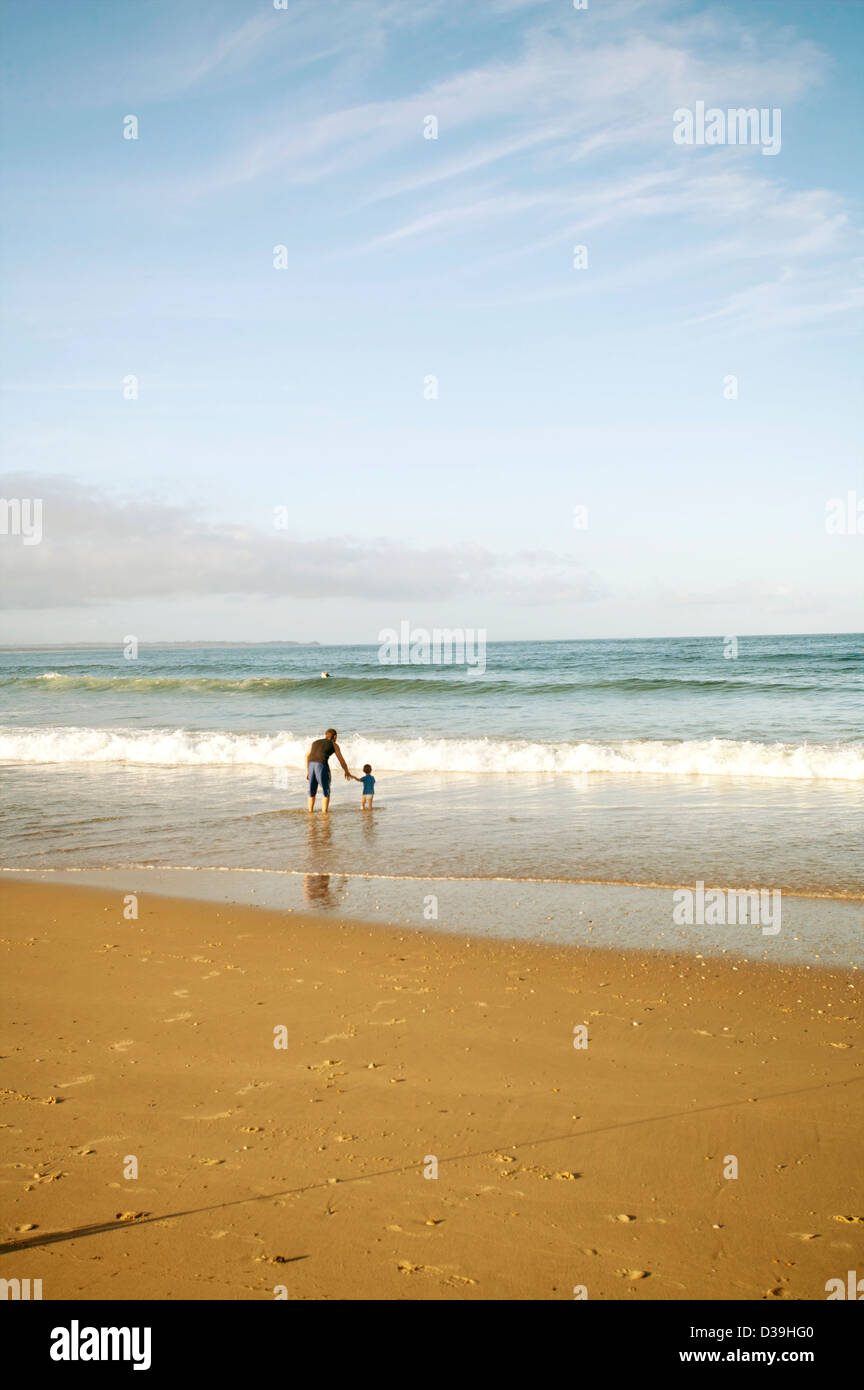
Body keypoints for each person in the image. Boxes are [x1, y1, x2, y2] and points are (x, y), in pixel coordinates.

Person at [305, 728, 352, 813]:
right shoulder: (334, 744)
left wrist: (307, 771)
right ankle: (324, 813)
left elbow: (306, 756)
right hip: (321, 766)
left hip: (311, 765)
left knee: (312, 790)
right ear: (335, 736)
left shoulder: (315, 742)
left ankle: (310, 812)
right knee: (326, 790)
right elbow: (341, 760)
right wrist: (346, 771)